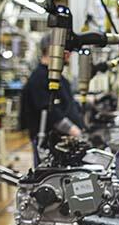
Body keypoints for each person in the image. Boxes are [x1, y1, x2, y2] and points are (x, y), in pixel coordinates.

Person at [19, 34, 85, 164]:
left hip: (64, 144)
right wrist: (74, 131)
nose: (69, 54)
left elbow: (66, 102)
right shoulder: (39, 78)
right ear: (52, 50)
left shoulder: (56, 77)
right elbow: (50, 111)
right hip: (52, 146)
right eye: (66, 50)